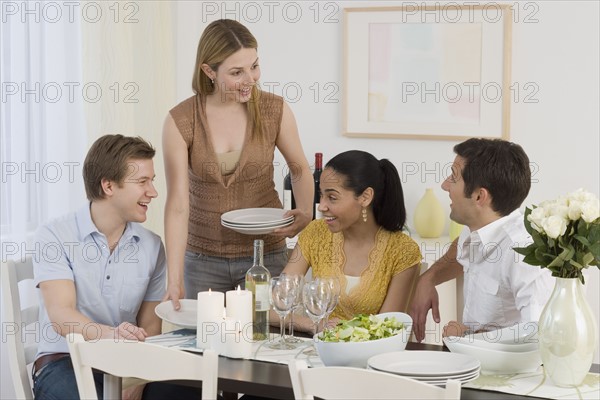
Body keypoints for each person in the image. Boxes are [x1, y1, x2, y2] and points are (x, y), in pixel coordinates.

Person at [32, 135, 199, 400]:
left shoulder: (152, 246)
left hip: (127, 364)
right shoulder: (54, 235)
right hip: (65, 362)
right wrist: (113, 336)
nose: (153, 192)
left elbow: (150, 327)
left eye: (152, 181)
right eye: (142, 182)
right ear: (109, 185)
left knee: (189, 391)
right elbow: (62, 316)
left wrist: (138, 380)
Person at [163, 19, 313, 306]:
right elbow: (178, 205)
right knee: (208, 343)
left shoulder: (274, 109)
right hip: (202, 259)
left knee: (269, 339)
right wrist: (174, 278)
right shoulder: (181, 121)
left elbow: (299, 168)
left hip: (266, 253)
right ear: (208, 71)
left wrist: (305, 212)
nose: (251, 79)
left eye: (254, 66)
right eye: (236, 72)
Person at [409, 138, 554, 342]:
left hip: (511, 371)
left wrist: (469, 337)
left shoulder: (523, 252)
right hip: (475, 360)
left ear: (479, 197)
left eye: (453, 177)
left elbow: (538, 333)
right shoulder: (479, 228)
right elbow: (460, 249)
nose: (444, 185)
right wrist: (429, 278)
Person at [280, 150, 422, 332]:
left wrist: (344, 333)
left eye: (332, 197)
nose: (322, 206)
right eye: (321, 195)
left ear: (365, 197)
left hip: (371, 357)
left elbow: (387, 330)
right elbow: (274, 305)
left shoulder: (403, 251)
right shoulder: (315, 233)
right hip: (319, 352)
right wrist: (313, 325)